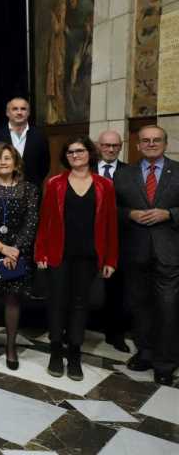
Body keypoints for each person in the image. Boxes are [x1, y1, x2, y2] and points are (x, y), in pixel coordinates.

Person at [35, 137, 118, 381]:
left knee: (80, 304)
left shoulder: (105, 185)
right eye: (70, 152)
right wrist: (41, 253)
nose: (75, 155)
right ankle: (55, 351)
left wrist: (110, 259)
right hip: (59, 253)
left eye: (79, 150)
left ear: (89, 153)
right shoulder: (55, 183)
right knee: (57, 302)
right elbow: (45, 222)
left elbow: (111, 225)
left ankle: (74, 353)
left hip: (90, 256)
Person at [114, 125, 179, 385]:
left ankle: (165, 363)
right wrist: (129, 214)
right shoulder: (124, 175)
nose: (151, 144)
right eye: (145, 141)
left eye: (156, 140)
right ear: (137, 145)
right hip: (135, 251)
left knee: (168, 307)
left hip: (169, 252)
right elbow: (112, 210)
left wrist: (170, 214)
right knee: (139, 306)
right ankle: (146, 353)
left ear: (165, 142)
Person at [0, 144, 39, 370]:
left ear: (16, 163)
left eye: (7, 158)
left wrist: (15, 249)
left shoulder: (29, 189)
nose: (3, 162)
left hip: (17, 251)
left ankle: (11, 348)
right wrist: (1, 248)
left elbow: (31, 222)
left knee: (13, 299)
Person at [96, 129, 129, 353]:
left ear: (121, 147)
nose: (110, 149)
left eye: (115, 146)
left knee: (117, 288)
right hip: (87, 238)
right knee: (81, 285)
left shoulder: (130, 172)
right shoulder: (85, 170)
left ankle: (115, 334)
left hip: (119, 238)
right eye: (106, 145)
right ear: (99, 146)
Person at [0, 97, 51, 191]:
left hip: (32, 190)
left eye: (23, 109)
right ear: (7, 113)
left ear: (28, 113)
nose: (19, 112)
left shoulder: (39, 136)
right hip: (2, 189)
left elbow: (44, 165)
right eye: (15, 109)